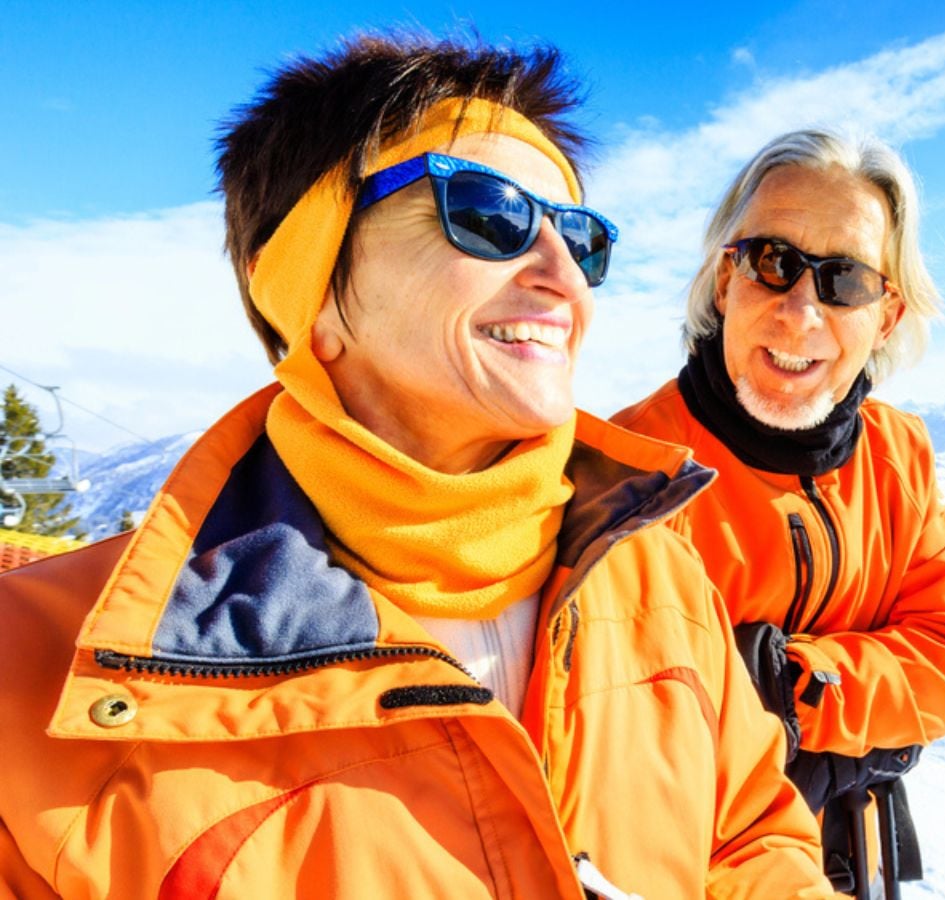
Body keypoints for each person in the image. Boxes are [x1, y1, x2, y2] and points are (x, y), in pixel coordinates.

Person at [0, 35, 830, 899]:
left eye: (580, 238)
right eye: (488, 212)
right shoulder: (37, 680)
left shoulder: (657, 571)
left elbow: (750, 841)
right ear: (310, 291)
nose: (564, 278)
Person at [612, 129, 945, 897]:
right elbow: (641, 744)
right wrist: (875, 730)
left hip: (854, 861)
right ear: (726, 282)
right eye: (773, 261)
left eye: (844, 280)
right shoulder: (630, 472)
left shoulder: (898, 456)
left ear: (886, 316)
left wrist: (791, 686)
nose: (800, 311)